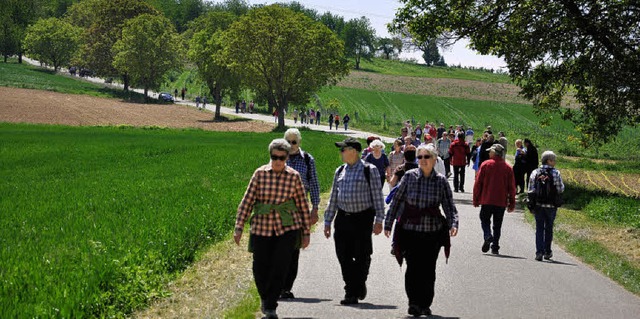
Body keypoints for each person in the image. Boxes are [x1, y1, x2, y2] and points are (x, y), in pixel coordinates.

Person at [234, 138, 311, 319]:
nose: (277, 161)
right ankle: (265, 296)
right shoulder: (260, 174)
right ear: (270, 156)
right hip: (262, 227)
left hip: (287, 228)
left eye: (281, 158)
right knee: (260, 267)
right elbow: (247, 201)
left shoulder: (293, 176)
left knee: (280, 266)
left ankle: (271, 306)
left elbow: (302, 206)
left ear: (286, 158)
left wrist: (306, 233)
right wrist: (239, 227)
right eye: (274, 157)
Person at [384, 144, 459, 317]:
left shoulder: (441, 181)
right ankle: (414, 302)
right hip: (410, 231)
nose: (422, 160)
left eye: (426, 157)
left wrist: (453, 224)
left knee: (428, 269)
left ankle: (425, 303)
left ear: (434, 159)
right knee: (412, 268)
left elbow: (449, 206)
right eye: (420, 157)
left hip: (432, 232)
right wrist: (388, 223)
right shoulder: (409, 177)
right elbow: (397, 201)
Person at [324, 137, 385, 305]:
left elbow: (377, 196)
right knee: (343, 255)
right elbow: (333, 198)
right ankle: (352, 287)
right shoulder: (339, 171)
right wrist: (328, 221)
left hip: (362, 219)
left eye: (343, 149)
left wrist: (379, 220)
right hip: (343, 218)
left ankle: (354, 288)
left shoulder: (369, 170)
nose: (341, 152)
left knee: (361, 254)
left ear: (353, 151)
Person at [281, 129, 320, 299]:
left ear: (299, 142)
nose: (290, 145)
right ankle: (277, 285)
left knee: (293, 249)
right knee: (278, 249)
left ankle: (286, 287)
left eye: (294, 142)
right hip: (279, 209)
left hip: (298, 209)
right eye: (288, 142)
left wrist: (315, 208)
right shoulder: (279, 156)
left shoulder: (307, 159)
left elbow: (314, 183)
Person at [473, 144, 516, 255]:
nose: (488, 153)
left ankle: (487, 235)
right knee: (497, 224)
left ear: (494, 153)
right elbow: (512, 187)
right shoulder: (508, 168)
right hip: (501, 201)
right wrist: (512, 203)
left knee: (484, 219)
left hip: (487, 199)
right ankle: (495, 246)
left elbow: (478, 183)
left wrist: (476, 198)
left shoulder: (485, 164)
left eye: (490, 151)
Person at [529, 151, 565, 261]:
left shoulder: (535, 172)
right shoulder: (555, 173)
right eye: (553, 160)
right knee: (549, 228)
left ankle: (539, 252)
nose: (555, 162)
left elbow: (531, 189)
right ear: (549, 161)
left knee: (539, 228)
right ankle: (547, 251)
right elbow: (560, 189)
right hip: (551, 205)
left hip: (538, 205)